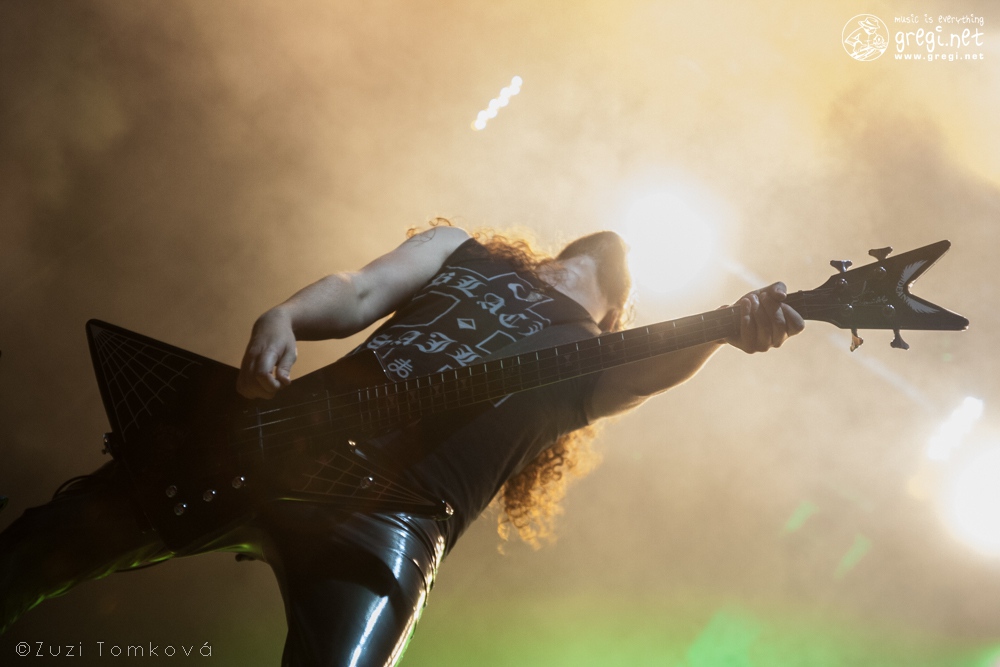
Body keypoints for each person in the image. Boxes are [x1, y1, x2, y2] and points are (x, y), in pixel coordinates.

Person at [0, 222, 804, 666]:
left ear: (620, 316)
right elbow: (359, 290)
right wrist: (283, 316)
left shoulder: (599, 353)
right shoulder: (463, 249)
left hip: (392, 518)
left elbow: (652, 373)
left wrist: (727, 328)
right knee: (38, 547)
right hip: (271, 436)